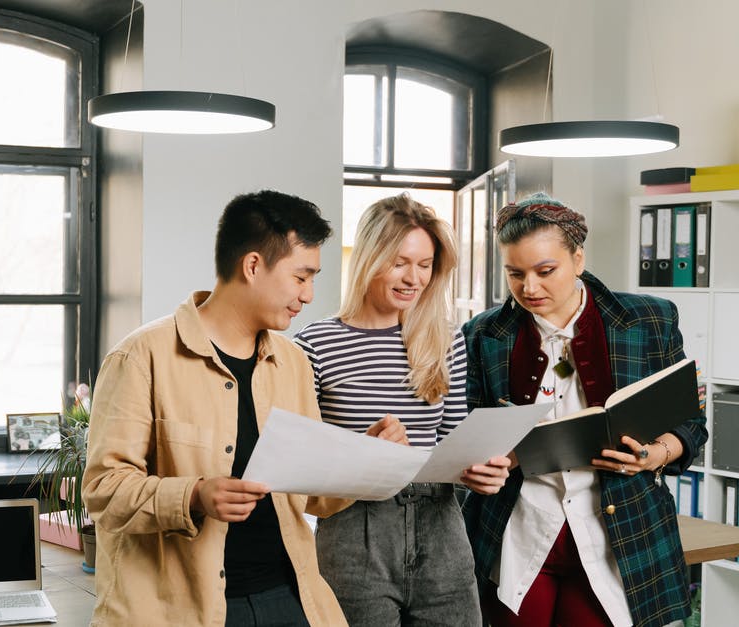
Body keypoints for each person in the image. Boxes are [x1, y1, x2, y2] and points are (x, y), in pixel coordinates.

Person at [82, 190, 382, 626]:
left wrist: (365, 458)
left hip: (288, 597)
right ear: (253, 265)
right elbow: (104, 491)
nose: (309, 294)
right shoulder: (140, 356)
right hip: (179, 611)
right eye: (301, 277)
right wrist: (195, 495)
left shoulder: (293, 361)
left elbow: (313, 495)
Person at [460, 192, 707, 627]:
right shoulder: (484, 334)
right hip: (518, 531)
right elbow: (469, 429)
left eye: (545, 271)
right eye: (514, 274)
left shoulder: (650, 319)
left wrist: (654, 455)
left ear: (578, 259)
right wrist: (480, 466)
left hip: (619, 532)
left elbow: (690, 421)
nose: (529, 288)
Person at [294, 193, 484, 626]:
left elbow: (452, 441)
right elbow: (299, 468)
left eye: (425, 264)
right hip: (354, 532)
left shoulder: (446, 340)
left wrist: (479, 471)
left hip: (442, 529)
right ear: (368, 256)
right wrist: (364, 453)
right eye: (400, 261)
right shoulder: (314, 345)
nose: (413, 278)